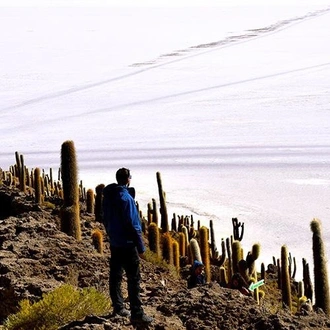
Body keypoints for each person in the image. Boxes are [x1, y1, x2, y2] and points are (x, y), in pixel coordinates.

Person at [102, 168, 153, 325]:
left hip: (115, 243)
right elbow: (133, 224)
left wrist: (111, 234)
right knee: (133, 279)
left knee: (116, 276)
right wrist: (141, 247)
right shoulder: (126, 198)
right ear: (127, 179)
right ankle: (137, 313)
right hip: (128, 244)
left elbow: (104, 218)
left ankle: (118, 307)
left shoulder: (108, 197)